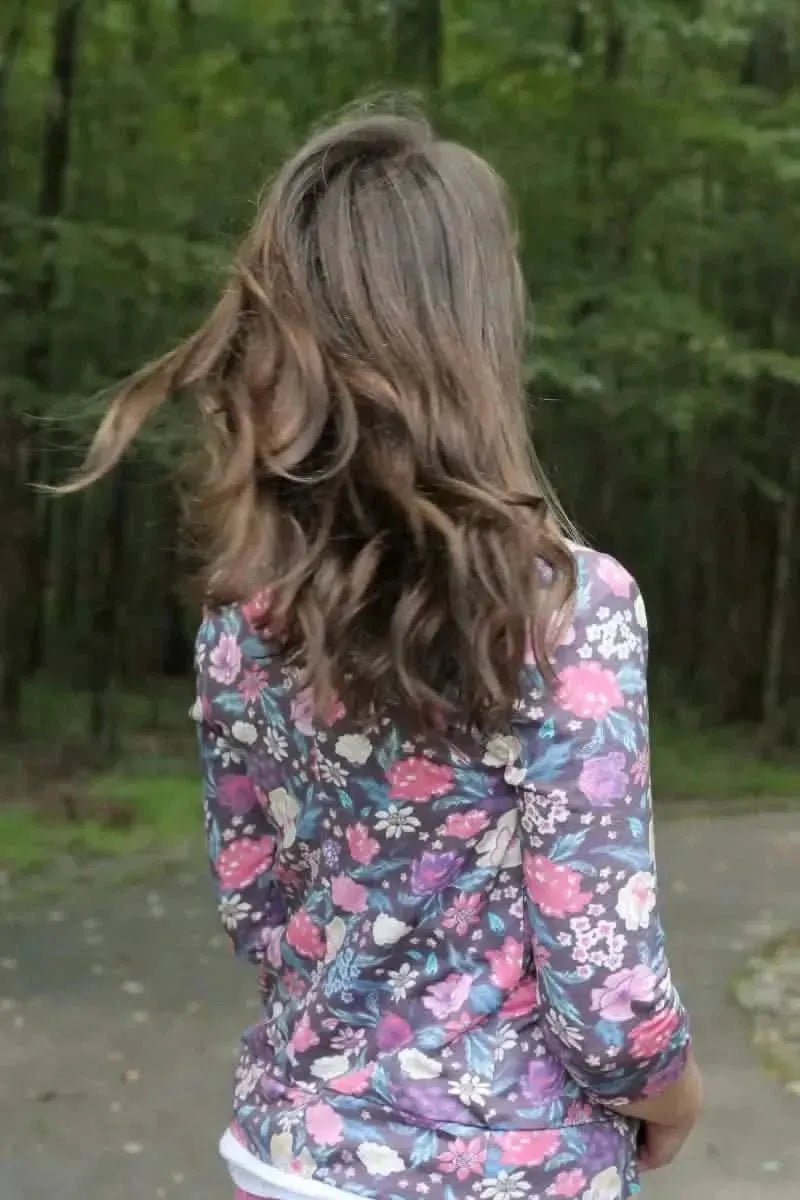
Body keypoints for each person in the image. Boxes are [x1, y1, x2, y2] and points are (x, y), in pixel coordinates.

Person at [73, 107, 702, 1200]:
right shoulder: (563, 611)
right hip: (505, 1169)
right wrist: (675, 1099)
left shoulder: (250, 614)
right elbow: (606, 996)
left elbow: (259, 907)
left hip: (288, 1157)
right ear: (477, 332)